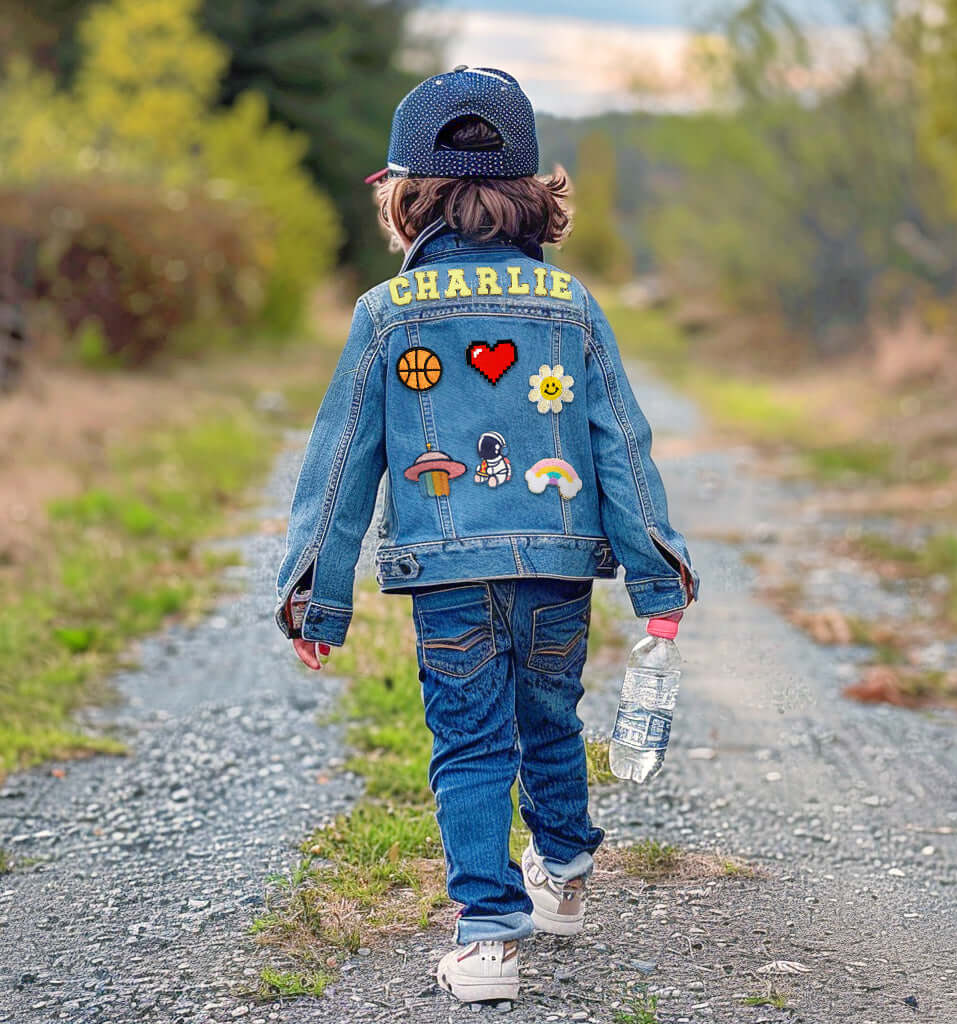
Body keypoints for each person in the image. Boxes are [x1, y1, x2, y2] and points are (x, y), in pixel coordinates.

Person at [274, 66, 699, 1004]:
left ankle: (488, 939)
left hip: (448, 574)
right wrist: (657, 585)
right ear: (533, 195)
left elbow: (340, 464)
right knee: (549, 714)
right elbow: (622, 447)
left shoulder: (386, 314)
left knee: (470, 742)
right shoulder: (571, 307)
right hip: (557, 569)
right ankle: (566, 869)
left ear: (405, 195)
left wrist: (316, 593)